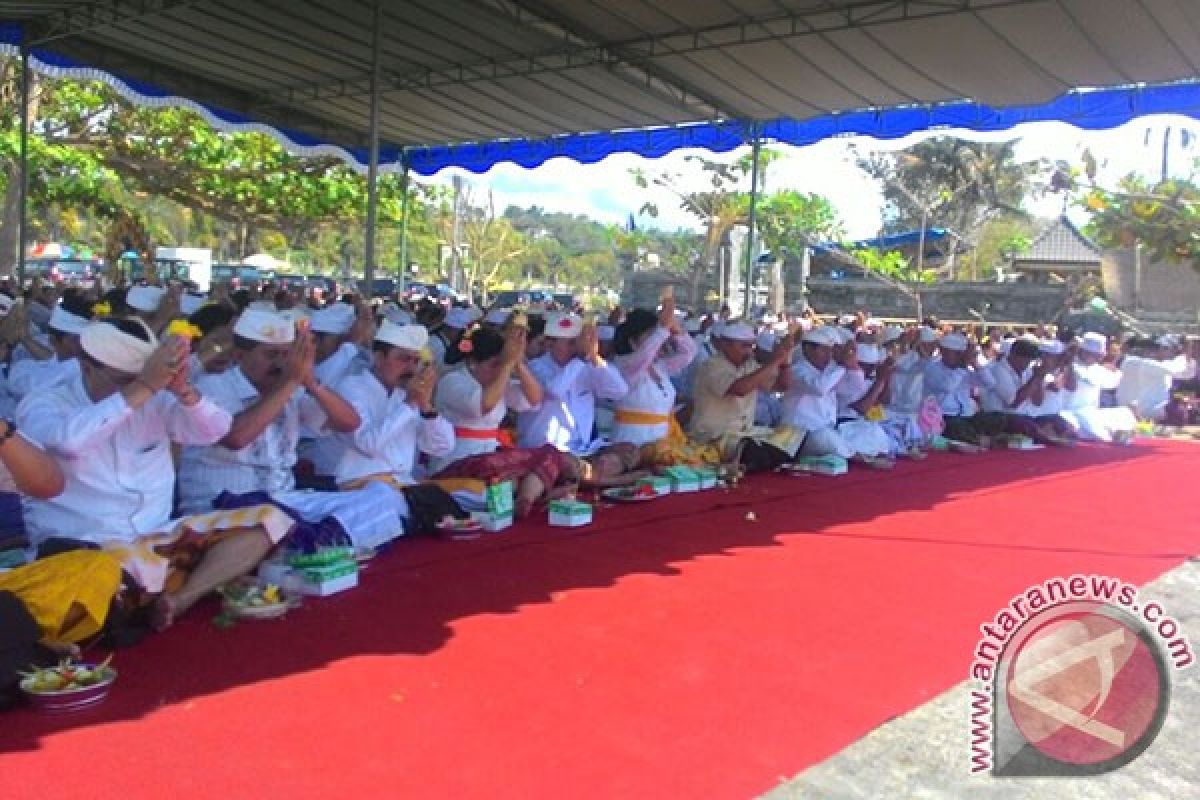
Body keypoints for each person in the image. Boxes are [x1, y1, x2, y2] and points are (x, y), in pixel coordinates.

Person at [17, 317, 293, 629]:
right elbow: (69, 443)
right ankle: (155, 591)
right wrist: (143, 387)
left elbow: (216, 430)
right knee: (96, 581)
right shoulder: (43, 402)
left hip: (157, 539)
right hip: (88, 547)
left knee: (267, 522)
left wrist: (185, 392)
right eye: (126, 380)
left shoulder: (154, 397)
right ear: (86, 366)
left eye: (141, 379)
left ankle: (181, 598)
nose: (138, 389)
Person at [176, 309, 362, 513]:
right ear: (239, 356)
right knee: (271, 522)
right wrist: (290, 382)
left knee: (378, 498)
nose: (282, 363)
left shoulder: (290, 391)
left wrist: (311, 383)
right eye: (271, 355)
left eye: (286, 355)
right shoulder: (211, 386)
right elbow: (236, 438)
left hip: (284, 502)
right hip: (222, 506)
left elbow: (349, 423)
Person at [433, 325, 579, 517]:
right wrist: (506, 366)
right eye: (494, 365)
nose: (499, 371)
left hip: (493, 458)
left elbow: (535, 399)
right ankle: (533, 494)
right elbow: (483, 406)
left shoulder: (500, 382)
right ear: (472, 363)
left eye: (501, 365)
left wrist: (518, 364)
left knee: (551, 454)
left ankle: (525, 499)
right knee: (502, 477)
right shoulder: (452, 381)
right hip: (457, 461)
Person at [334, 321, 454, 488]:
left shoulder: (403, 394)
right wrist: (409, 404)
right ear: (379, 358)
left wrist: (427, 408)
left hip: (401, 485)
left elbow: (442, 448)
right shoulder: (352, 387)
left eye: (415, 361)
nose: (411, 368)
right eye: (403, 359)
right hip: (360, 487)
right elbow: (368, 445)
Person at [689, 321, 800, 471]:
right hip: (714, 436)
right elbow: (740, 389)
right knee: (754, 451)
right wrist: (775, 361)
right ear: (725, 345)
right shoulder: (711, 366)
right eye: (744, 346)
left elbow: (781, 386)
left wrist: (785, 362)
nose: (749, 352)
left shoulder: (749, 365)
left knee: (794, 438)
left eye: (751, 346)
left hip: (744, 433)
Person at [517, 311, 629, 456]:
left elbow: (620, 391)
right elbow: (554, 392)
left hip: (581, 450)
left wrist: (595, 357)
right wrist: (581, 359)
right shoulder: (535, 367)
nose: (576, 348)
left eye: (578, 342)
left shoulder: (586, 366)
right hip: (541, 452)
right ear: (550, 343)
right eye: (570, 343)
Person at [610, 302, 697, 446]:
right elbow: (644, 355)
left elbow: (689, 352)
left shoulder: (660, 367)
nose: (659, 340)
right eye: (651, 336)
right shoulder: (624, 364)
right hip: (631, 442)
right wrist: (662, 329)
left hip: (661, 440)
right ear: (632, 342)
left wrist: (674, 328)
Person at [1059, 332, 1137, 443]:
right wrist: (1069, 362)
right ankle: (1110, 436)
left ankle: (1115, 434)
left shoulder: (1099, 370)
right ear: (1082, 351)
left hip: (1092, 413)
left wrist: (1114, 366)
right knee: (1078, 423)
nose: (1096, 357)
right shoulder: (1071, 366)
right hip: (1070, 412)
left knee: (1125, 413)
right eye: (1090, 353)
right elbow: (1069, 386)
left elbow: (1113, 382)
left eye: (1098, 354)